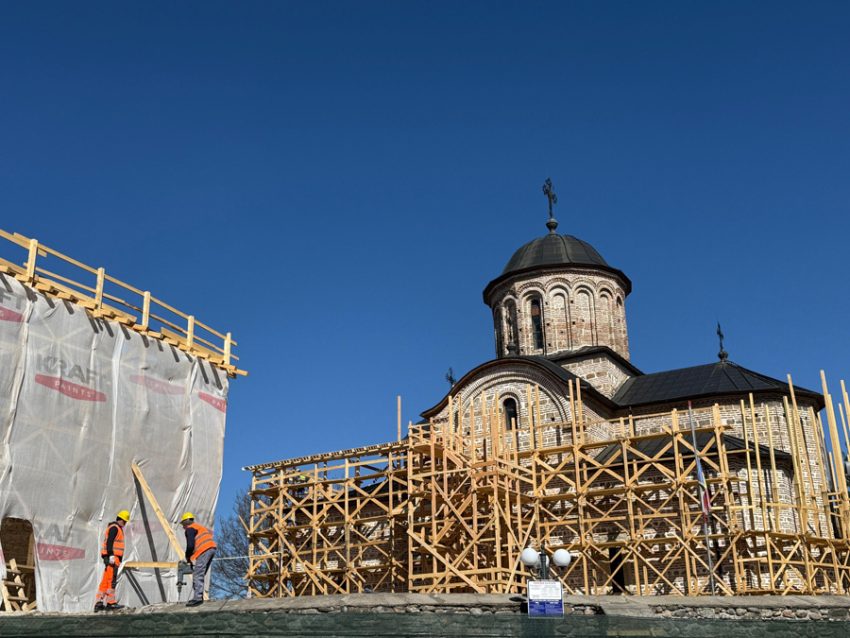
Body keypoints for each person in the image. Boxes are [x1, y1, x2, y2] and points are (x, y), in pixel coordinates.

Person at [94, 510, 129, 612]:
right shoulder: (115, 528)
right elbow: (110, 542)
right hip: (113, 558)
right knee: (111, 581)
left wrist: (108, 556)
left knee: (105, 581)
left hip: (109, 558)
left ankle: (99, 602)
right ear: (121, 520)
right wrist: (112, 555)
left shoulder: (112, 527)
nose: (125, 524)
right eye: (125, 521)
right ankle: (111, 603)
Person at [179, 512, 217, 607]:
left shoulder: (190, 529)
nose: (183, 527)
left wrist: (187, 556)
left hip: (204, 550)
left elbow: (190, 545)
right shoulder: (199, 527)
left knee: (197, 574)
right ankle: (198, 596)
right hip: (211, 549)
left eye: (183, 524)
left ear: (186, 521)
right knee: (200, 573)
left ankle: (197, 598)